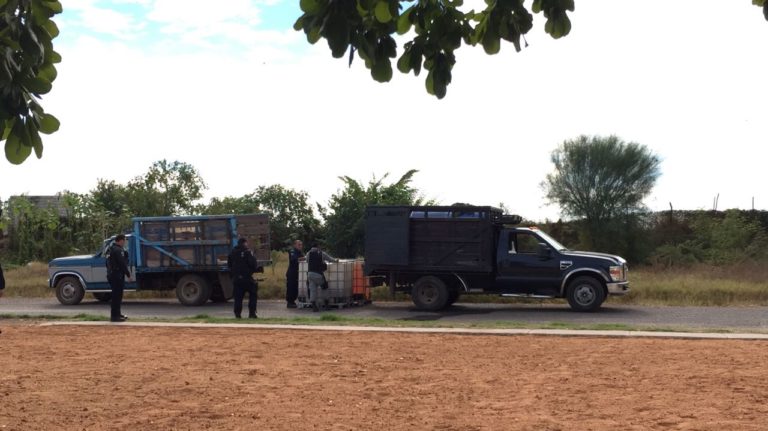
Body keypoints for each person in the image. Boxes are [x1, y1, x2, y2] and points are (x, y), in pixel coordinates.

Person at [228, 238, 259, 319]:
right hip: (247, 278)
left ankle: (237, 314)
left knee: (238, 297)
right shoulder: (248, 252)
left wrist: (234, 274)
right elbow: (254, 264)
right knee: (253, 294)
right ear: (245, 243)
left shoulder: (232, 252)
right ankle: (252, 313)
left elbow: (229, 265)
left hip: (237, 279)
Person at [306, 243, 338, 312]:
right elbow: (330, 259)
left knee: (313, 290)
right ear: (318, 247)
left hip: (310, 274)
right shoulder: (321, 253)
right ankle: (326, 305)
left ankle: (314, 306)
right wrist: (336, 260)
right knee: (325, 287)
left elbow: (307, 261)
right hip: (318, 274)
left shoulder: (308, 253)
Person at [106, 234, 131, 322]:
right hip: (117, 275)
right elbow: (122, 263)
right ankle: (114, 317)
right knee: (117, 296)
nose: (124, 243)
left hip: (112, 274)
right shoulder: (118, 250)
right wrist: (128, 274)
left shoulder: (110, 249)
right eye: (124, 241)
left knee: (117, 296)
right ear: (120, 240)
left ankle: (117, 314)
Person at [285, 239, 304, 308]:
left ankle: (294, 301)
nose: (300, 246)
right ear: (294, 245)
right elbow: (294, 260)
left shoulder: (300, 252)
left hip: (298, 273)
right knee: (291, 288)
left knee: (296, 288)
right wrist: (304, 258)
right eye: (299, 245)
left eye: (301, 245)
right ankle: (290, 302)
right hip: (292, 273)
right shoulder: (292, 251)